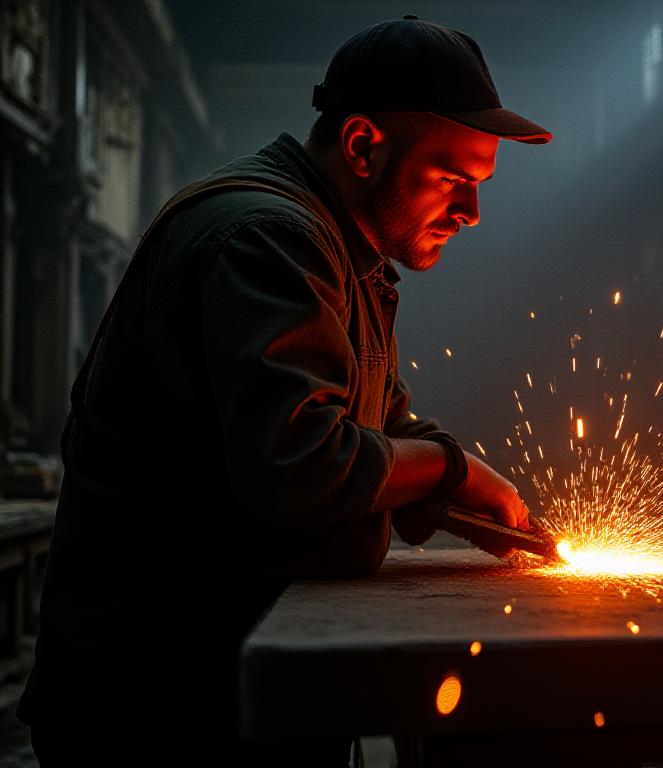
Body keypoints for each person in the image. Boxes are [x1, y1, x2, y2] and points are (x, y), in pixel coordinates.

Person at [19, 16, 550, 766]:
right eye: (452, 179)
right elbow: (303, 467)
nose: (470, 213)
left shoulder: (341, 255)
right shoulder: (266, 239)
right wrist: (453, 469)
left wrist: (453, 497)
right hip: (163, 710)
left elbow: (378, 425)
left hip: (224, 677)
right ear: (364, 145)